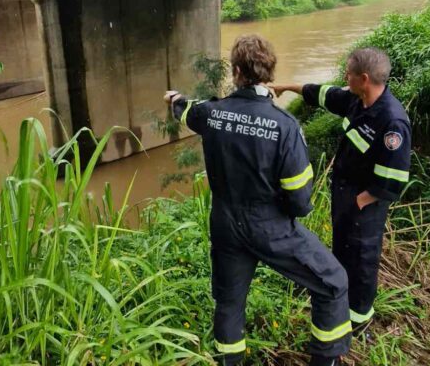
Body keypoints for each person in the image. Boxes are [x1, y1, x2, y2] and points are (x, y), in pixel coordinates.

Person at [164, 34, 351, 366]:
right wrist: (289, 218)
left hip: (225, 225)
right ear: (271, 73)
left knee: (229, 303)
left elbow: (188, 110)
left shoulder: (212, 113)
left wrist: (175, 99)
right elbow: (299, 196)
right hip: (271, 226)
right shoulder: (285, 127)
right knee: (333, 282)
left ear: (236, 71)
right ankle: (326, 360)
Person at [270, 47, 411, 336]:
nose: (344, 76)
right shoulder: (357, 101)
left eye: (348, 73)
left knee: (361, 260)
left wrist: (360, 201)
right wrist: (286, 87)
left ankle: (359, 322)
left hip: (365, 206)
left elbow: (393, 180)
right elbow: (321, 94)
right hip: (346, 197)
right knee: (343, 251)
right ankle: (339, 303)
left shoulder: (392, 121)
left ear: (364, 78)